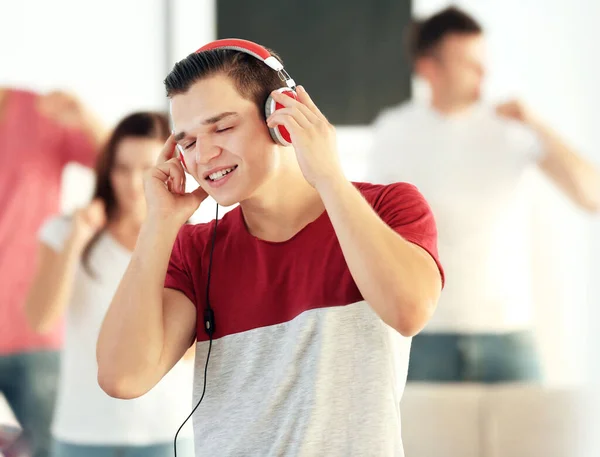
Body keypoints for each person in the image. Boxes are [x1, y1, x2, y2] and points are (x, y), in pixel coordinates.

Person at [96, 39, 444, 456]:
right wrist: (157, 225)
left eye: (222, 127)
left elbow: (409, 311)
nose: (204, 155)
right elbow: (122, 377)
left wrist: (329, 175)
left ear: (281, 117)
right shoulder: (194, 250)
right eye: (187, 142)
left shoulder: (385, 208)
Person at [366, 6, 600, 383]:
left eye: (483, 61)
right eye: (469, 63)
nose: (485, 73)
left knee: (532, 443)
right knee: (422, 444)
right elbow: (374, 233)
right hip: (425, 335)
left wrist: (535, 122)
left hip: (507, 334)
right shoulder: (394, 132)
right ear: (429, 68)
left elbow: (592, 196)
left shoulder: (511, 129)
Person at [24, 112, 195, 457]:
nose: (133, 182)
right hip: (83, 432)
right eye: (121, 168)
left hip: (167, 430)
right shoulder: (63, 231)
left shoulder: (189, 239)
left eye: (145, 169)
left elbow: (190, 349)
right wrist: (76, 241)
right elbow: (40, 319)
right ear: (106, 169)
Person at [0, 87, 105, 457]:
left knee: (55, 450)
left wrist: (86, 117)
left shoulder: (40, 112)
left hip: (32, 332)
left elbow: (119, 169)